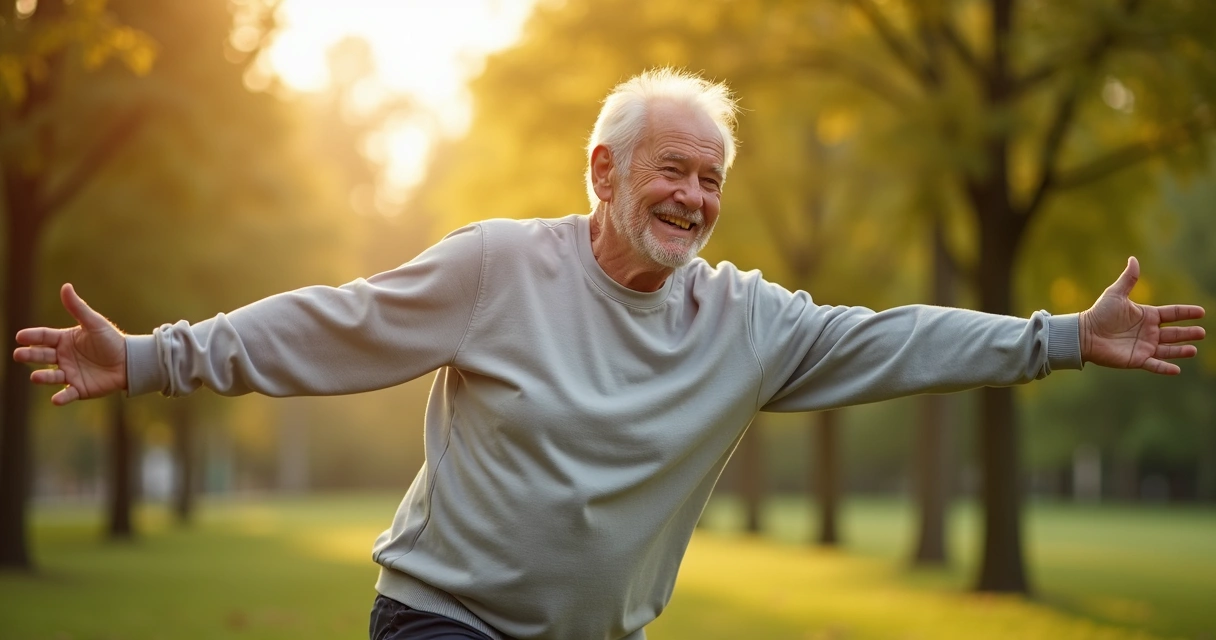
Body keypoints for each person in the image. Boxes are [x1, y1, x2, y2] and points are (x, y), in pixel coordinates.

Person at [12, 69, 1206, 640]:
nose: (691, 198)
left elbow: (889, 338)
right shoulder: (496, 268)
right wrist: (159, 357)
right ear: (603, 170)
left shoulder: (747, 321)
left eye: (710, 180)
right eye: (671, 170)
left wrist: (1058, 337)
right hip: (446, 622)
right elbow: (337, 322)